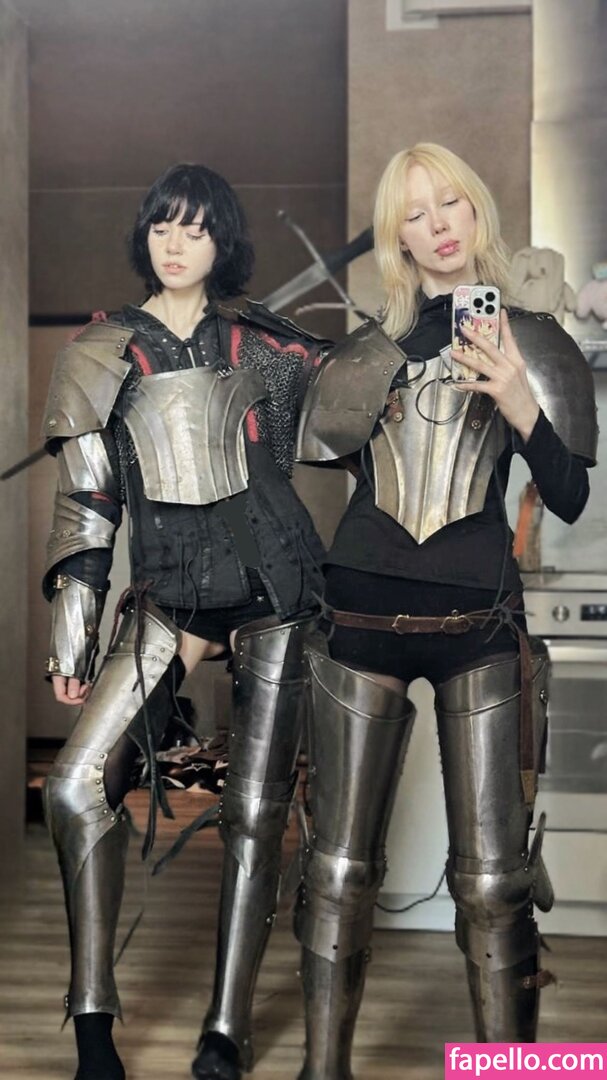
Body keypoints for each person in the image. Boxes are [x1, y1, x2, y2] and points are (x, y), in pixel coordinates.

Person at [294, 143, 598, 1078]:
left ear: (475, 212)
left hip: (479, 627)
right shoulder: (365, 352)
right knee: (338, 870)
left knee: (495, 884)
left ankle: (503, 1068)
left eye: (450, 203)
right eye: (414, 213)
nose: (436, 225)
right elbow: (336, 474)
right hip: (359, 620)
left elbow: (569, 496)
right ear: (397, 237)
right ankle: (321, 1069)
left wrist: (517, 400)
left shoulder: (531, 341)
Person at [41, 162, 329, 1080]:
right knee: (74, 786)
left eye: (196, 229)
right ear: (145, 235)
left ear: (221, 243)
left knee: (255, 814)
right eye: (163, 225)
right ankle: (93, 1024)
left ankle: (225, 1031)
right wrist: (73, 637)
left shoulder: (268, 346)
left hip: (277, 590)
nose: (175, 243)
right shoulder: (100, 351)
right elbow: (87, 505)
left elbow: (355, 420)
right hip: (169, 595)